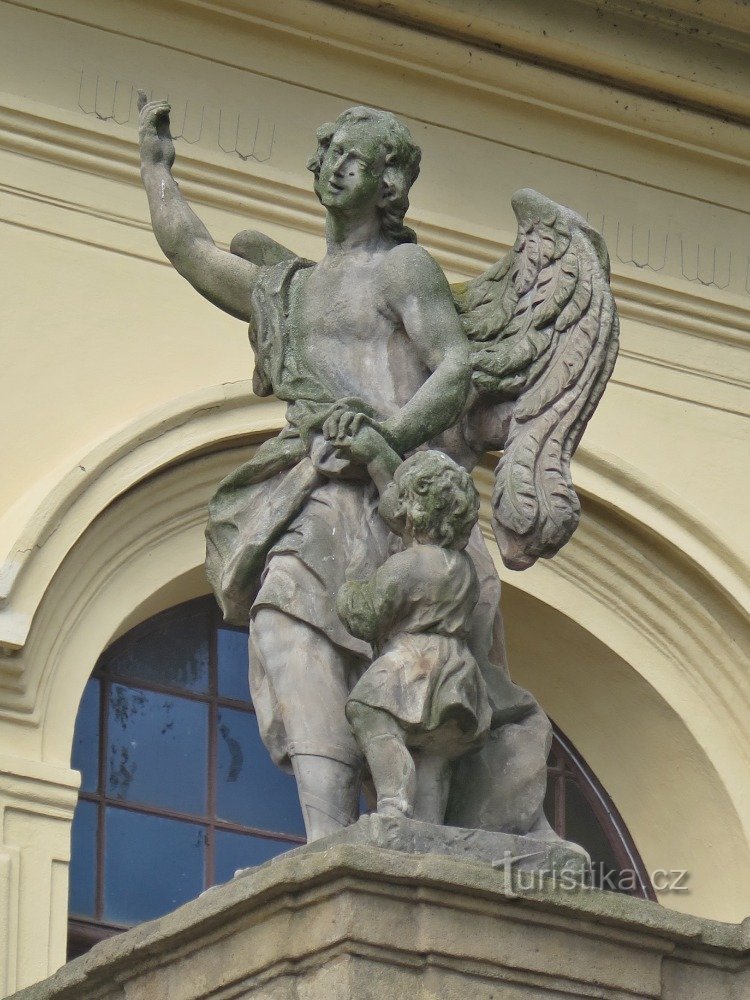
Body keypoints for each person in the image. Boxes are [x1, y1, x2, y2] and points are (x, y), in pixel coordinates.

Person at [138, 96, 547, 843]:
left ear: (387, 183)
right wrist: (157, 168)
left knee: (426, 679)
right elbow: (192, 251)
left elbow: (454, 365)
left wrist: (387, 435)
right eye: (329, 154)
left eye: (354, 158)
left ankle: (422, 830)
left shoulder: (403, 269)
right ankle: (327, 847)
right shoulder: (286, 291)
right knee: (284, 622)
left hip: (405, 500)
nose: (335, 167)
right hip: (316, 488)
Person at [337, 449, 492, 824]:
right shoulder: (466, 568)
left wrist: (351, 584)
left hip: (414, 659)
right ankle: (428, 825)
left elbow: (366, 616)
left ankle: (392, 801)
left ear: (412, 505)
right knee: (436, 752)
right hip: (457, 668)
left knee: (369, 713)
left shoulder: (410, 563)